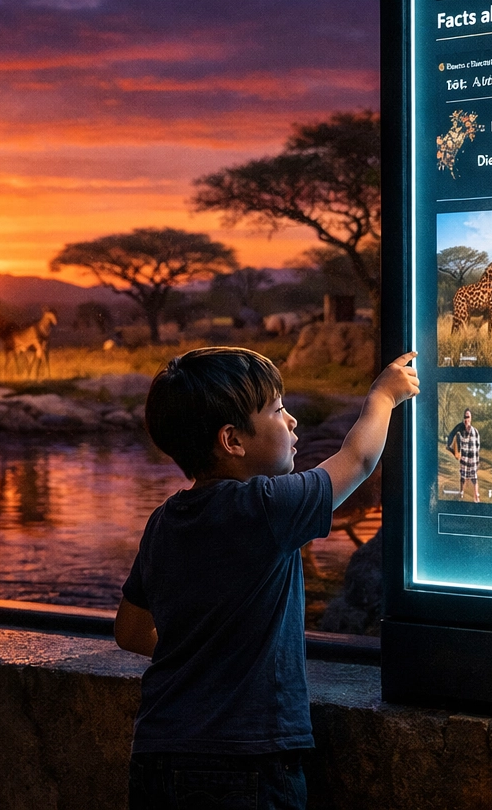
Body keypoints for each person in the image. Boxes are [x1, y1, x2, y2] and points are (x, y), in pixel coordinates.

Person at [115, 346, 418, 809]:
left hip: (158, 751)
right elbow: (356, 460)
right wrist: (382, 396)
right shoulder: (264, 506)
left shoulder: (164, 520)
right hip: (247, 761)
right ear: (232, 441)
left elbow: (131, 630)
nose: (293, 421)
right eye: (278, 410)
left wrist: (207, 653)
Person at [445, 407, 480, 500]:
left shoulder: (475, 432)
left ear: (471, 418)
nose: (466, 419)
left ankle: (476, 496)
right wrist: (451, 448)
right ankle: (461, 494)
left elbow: (477, 447)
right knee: (462, 478)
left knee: (474, 479)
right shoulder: (460, 431)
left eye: (468, 417)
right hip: (464, 460)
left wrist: (477, 463)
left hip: (473, 460)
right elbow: (451, 436)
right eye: (465, 417)